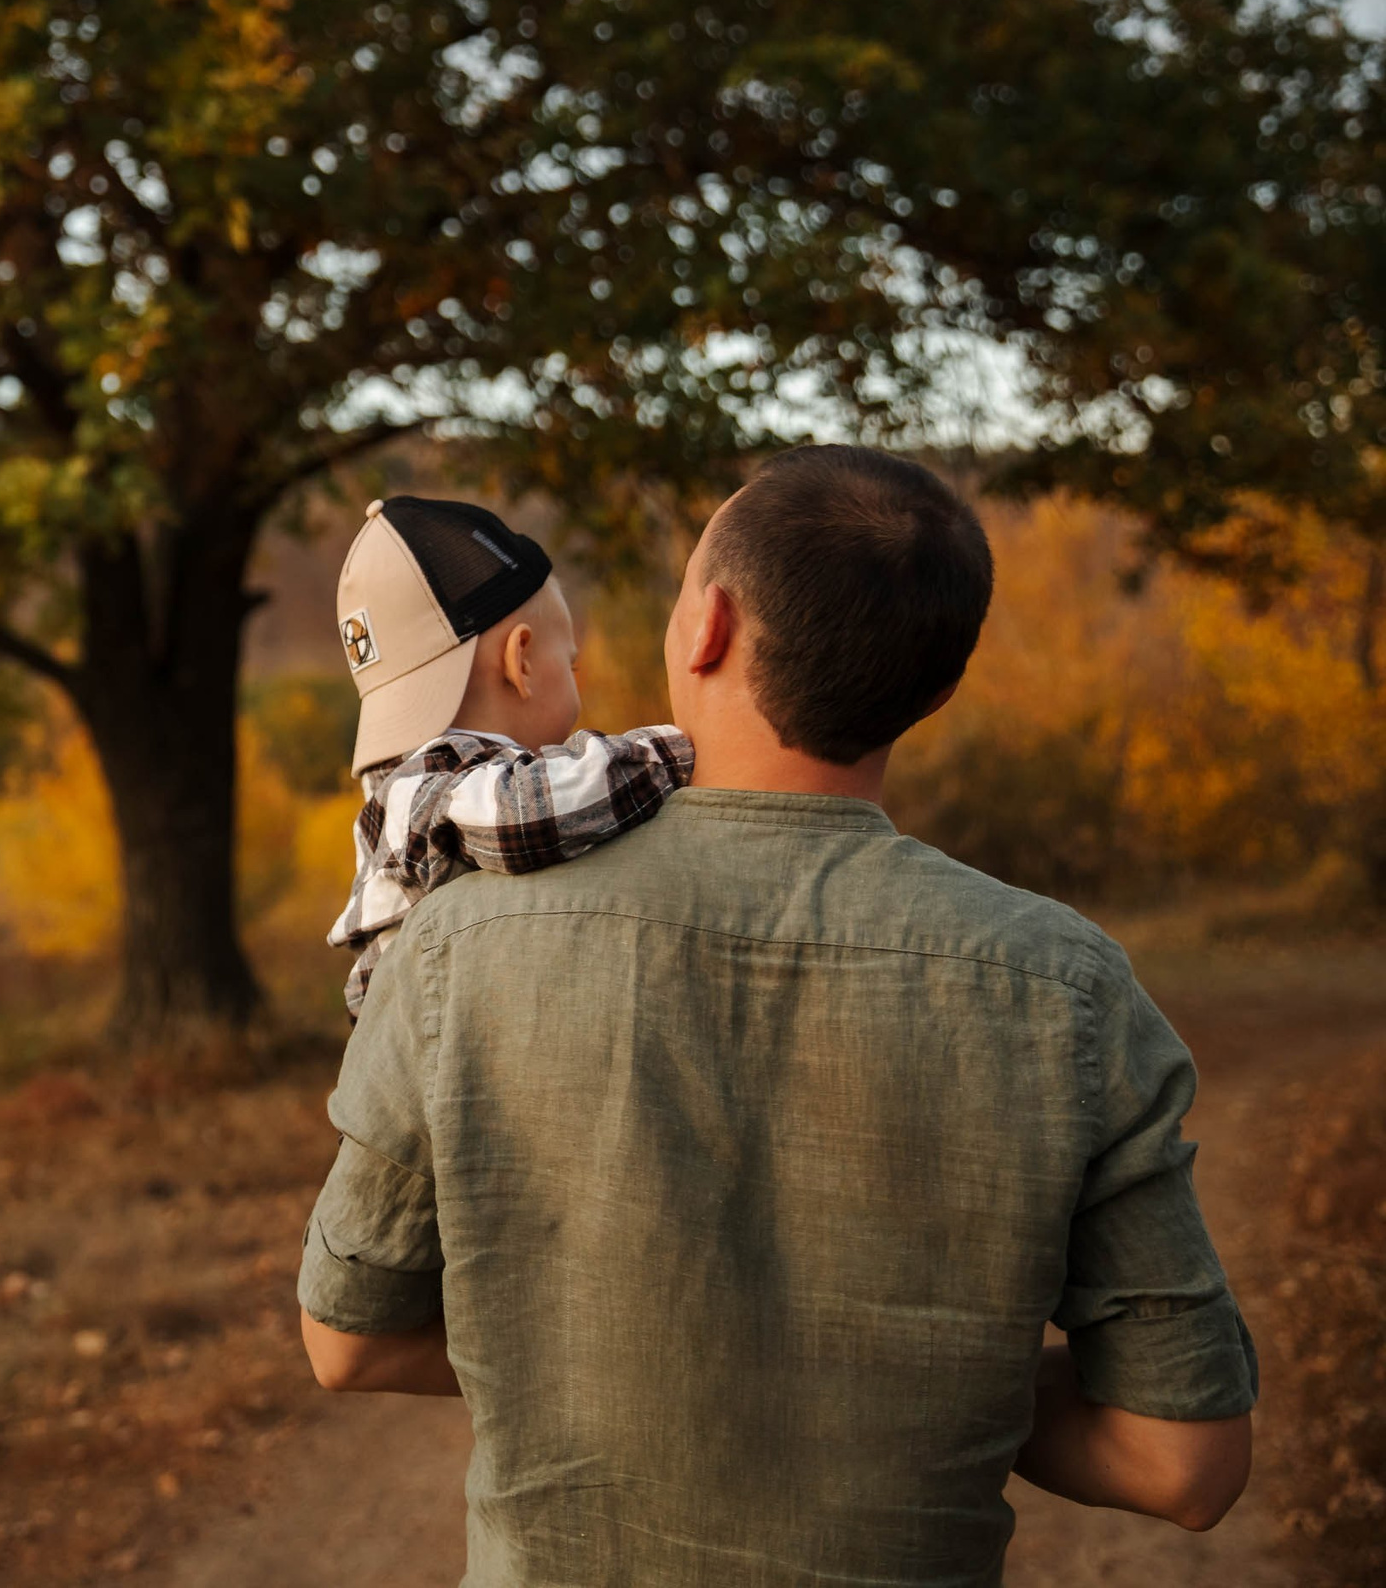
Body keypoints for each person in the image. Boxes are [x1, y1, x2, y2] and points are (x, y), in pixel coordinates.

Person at [296, 446, 1258, 1586]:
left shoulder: (455, 942)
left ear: (703, 627)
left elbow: (349, 1339)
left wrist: (592, 1352)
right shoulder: (1069, 989)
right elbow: (1181, 1460)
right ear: (935, 686)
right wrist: (940, 1383)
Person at [324, 495, 693, 1020]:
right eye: (572, 665)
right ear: (520, 660)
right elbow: (519, 814)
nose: (576, 679)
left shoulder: (401, 788)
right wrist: (676, 752)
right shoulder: (420, 795)